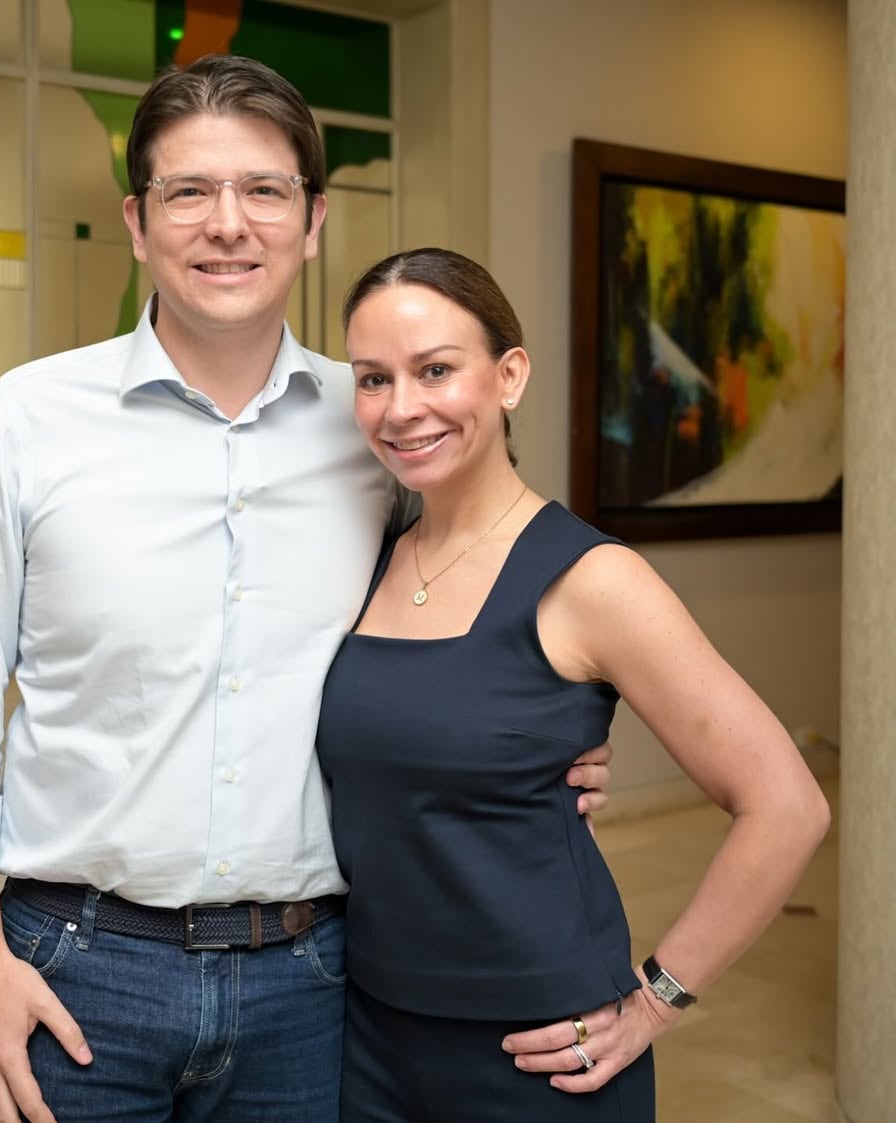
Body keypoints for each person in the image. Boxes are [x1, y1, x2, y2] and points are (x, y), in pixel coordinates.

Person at [0, 58, 611, 1123]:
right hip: (74, 964)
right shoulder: (27, 418)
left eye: (264, 190)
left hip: (310, 979)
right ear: (137, 222)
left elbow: (460, 615)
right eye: (189, 191)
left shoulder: (380, 427)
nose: (229, 224)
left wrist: (537, 737)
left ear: (312, 221)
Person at [316, 247, 831, 1122]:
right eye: (373, 378)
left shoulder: (593, 579)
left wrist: (657, 1000)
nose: (401, 407)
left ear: (509, 376)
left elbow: (787, 806)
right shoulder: (369, 554)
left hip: (542, 1050)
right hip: (367, 1035)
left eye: (435, 370)